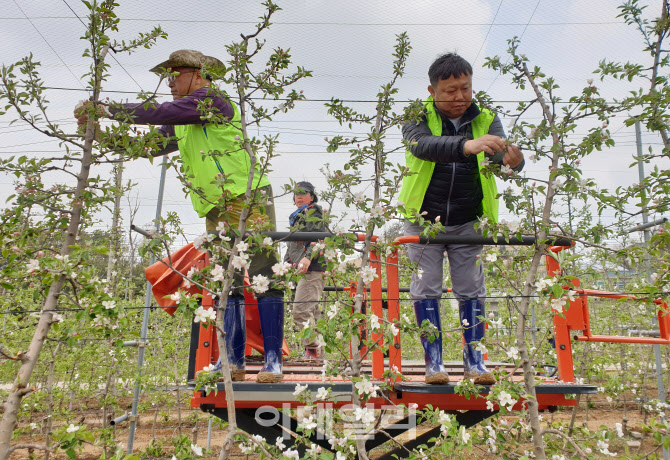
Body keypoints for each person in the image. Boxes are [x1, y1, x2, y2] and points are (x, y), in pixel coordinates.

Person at [74, 49, 285, 383]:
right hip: (215, 204)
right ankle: (234, 361)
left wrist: (107, 107)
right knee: (225, 281)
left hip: (247, 198)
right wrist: (96, 130)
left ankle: (273, 360)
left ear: (198, 75)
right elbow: (144, 147)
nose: (169, 83)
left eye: (175, 75)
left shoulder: (212, 101)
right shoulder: (185, 122)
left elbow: (163, 110)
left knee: (264, 274)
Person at [398, 53, 524, 385]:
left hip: (469, 219)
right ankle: (434, 363)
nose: (460, 97)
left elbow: (499, 163)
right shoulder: (416, 116)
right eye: (451, 90)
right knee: (426, 288)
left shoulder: (487, 117)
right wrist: (468, 145)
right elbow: (422, 146)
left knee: (471, 288)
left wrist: (513, 162)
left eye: (465, 88)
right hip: (424, 220)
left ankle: (475, 361)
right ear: (432, 90)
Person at [284, 181, 327, 359]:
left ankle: (312, 348)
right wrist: (286, 262)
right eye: (296, 193)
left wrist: (308, 257)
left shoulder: (313, 211)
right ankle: (316, 353)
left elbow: (318, 238)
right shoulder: (298, 215)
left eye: (304, 193)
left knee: (300, 311)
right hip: (305, 268)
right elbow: (293, 244)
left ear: (311, 197)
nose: (299, 196)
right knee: (312, 312)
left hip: (312, 267)